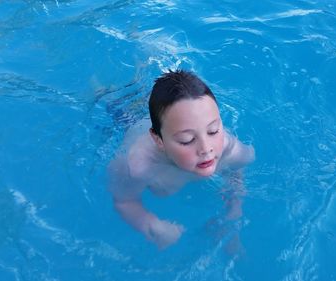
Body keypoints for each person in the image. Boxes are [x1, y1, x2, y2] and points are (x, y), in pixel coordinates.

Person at [108, 70, 255, 249]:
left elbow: (236, 172)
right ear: (158, 140)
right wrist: (152, 224)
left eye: (213, 130)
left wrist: (234, 208)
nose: (206, 148)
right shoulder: (138, 166)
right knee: (108, 94)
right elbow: (124, 201)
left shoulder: (230, 149)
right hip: (126, 119)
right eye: (187, 140)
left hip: (163, 117)